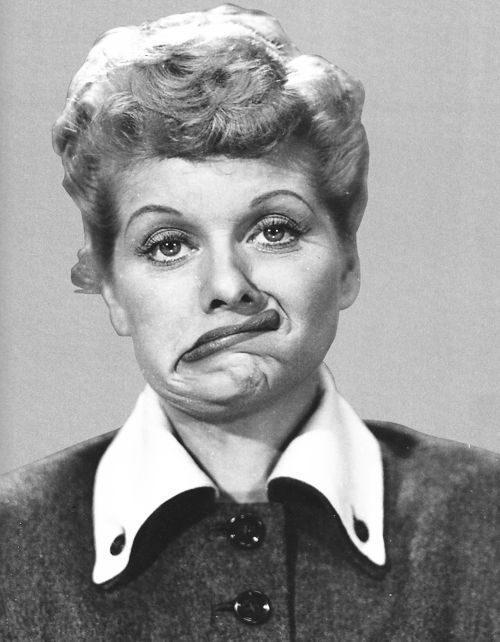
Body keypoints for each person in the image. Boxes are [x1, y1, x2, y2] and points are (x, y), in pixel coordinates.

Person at [1, 4, 499, 640]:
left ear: (347, 263)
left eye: (274, 230)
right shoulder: (11, 540)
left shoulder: (486, 517)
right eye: (167, 245)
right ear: (113, 291)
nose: (228, 287)